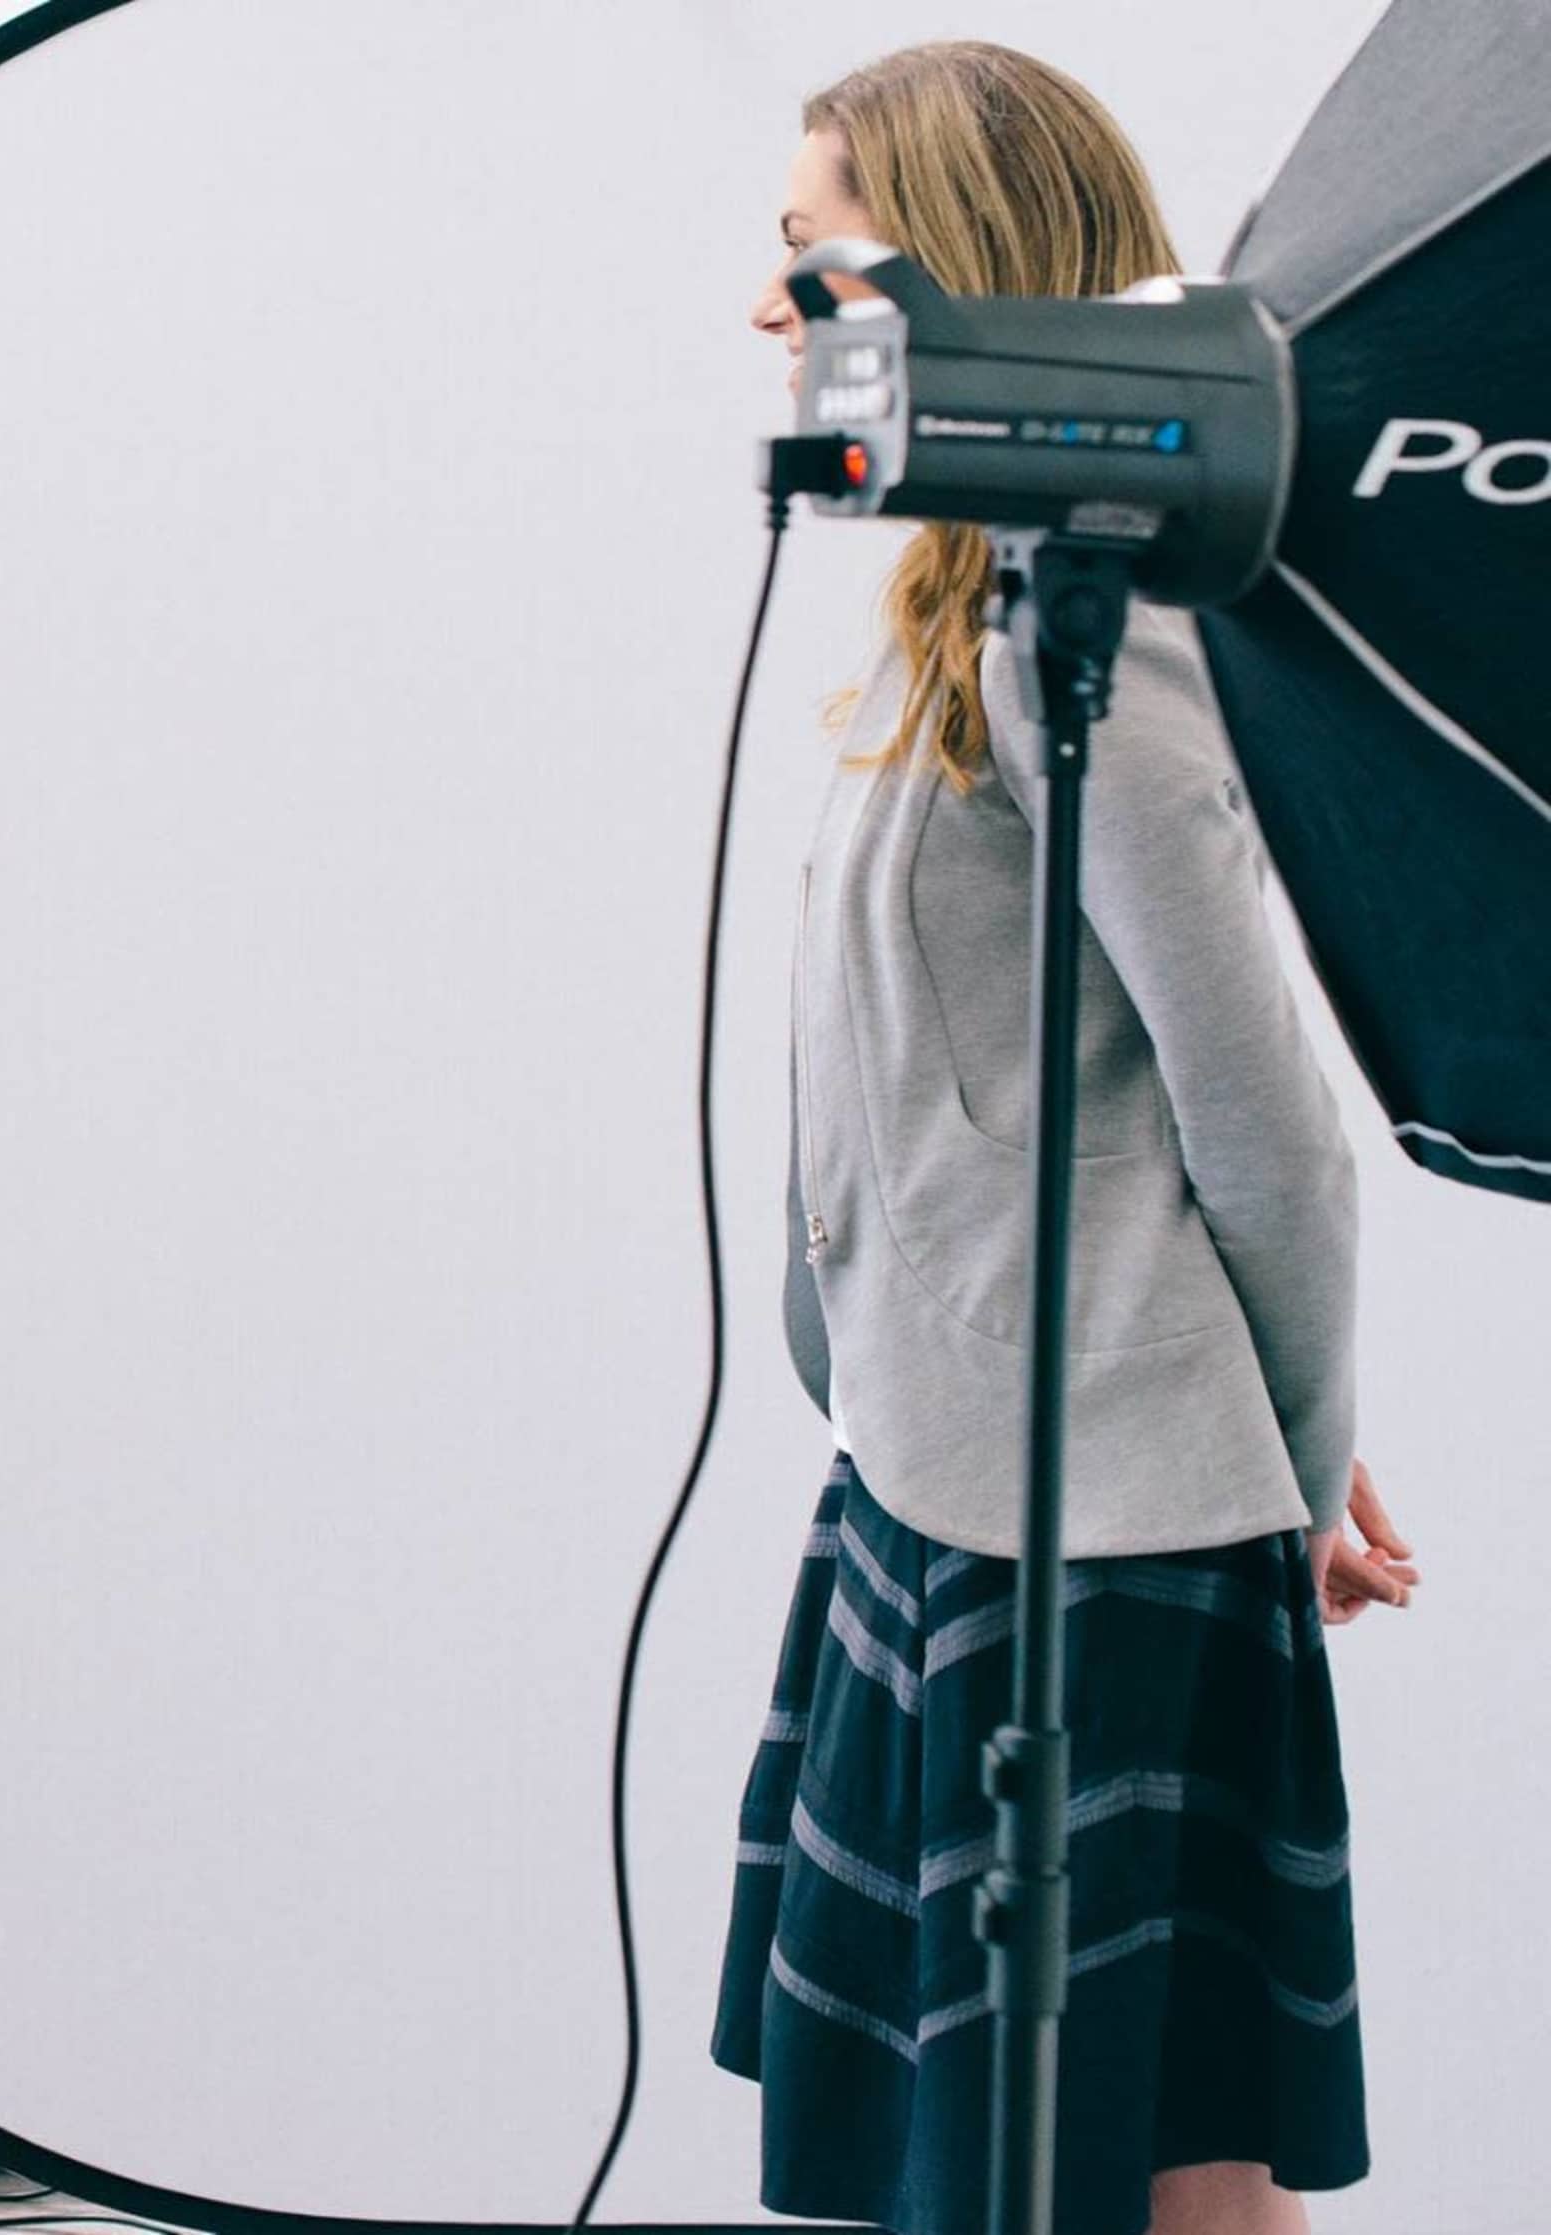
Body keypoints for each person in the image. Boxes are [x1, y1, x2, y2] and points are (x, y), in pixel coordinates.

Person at [717, 46, 1421, 2235]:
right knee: (1122, 2138)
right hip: (958, 1474)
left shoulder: (1082, 633)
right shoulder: (961, 608)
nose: (769, 303)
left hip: (1095, 1539)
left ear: (954, 268)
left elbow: (1265, 1116)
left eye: (816, 248)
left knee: (1135, 2143)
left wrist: (1285, 1474)